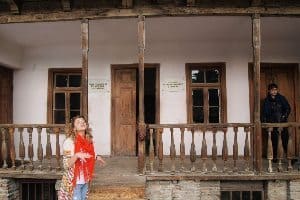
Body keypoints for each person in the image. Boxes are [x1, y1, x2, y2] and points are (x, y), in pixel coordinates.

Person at [58, 115, 105, 200]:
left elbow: (89, 155)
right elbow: (66, 165)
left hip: (85, 180)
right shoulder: (69, 142)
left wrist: (96, 157)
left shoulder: (89, 141)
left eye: (83, 121)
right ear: (74, 128)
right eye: (78, 122)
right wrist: (77, 155)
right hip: (74, 182)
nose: (82, 123)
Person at [262, 83, 291, 161]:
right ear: (269, 91)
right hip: (272, 124)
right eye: (272, 90)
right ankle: (274, 157)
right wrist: (265, 124)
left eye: (275, 90)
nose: (274, 91)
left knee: (285, 140)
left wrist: (283, 117)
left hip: (282, 122)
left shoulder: (282, 98)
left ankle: (289, 158)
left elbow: (288, 108)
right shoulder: (266, 101)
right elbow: (264, 113)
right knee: (273, 141)